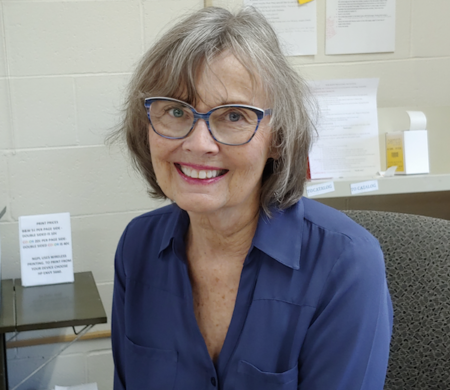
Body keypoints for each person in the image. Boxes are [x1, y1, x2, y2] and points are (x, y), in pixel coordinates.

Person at [111, 6, 393, 390]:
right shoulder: (136, 248)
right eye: (176, 111)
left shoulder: (347, 265)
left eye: (234, 116)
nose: (198, 143)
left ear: (278, 139)